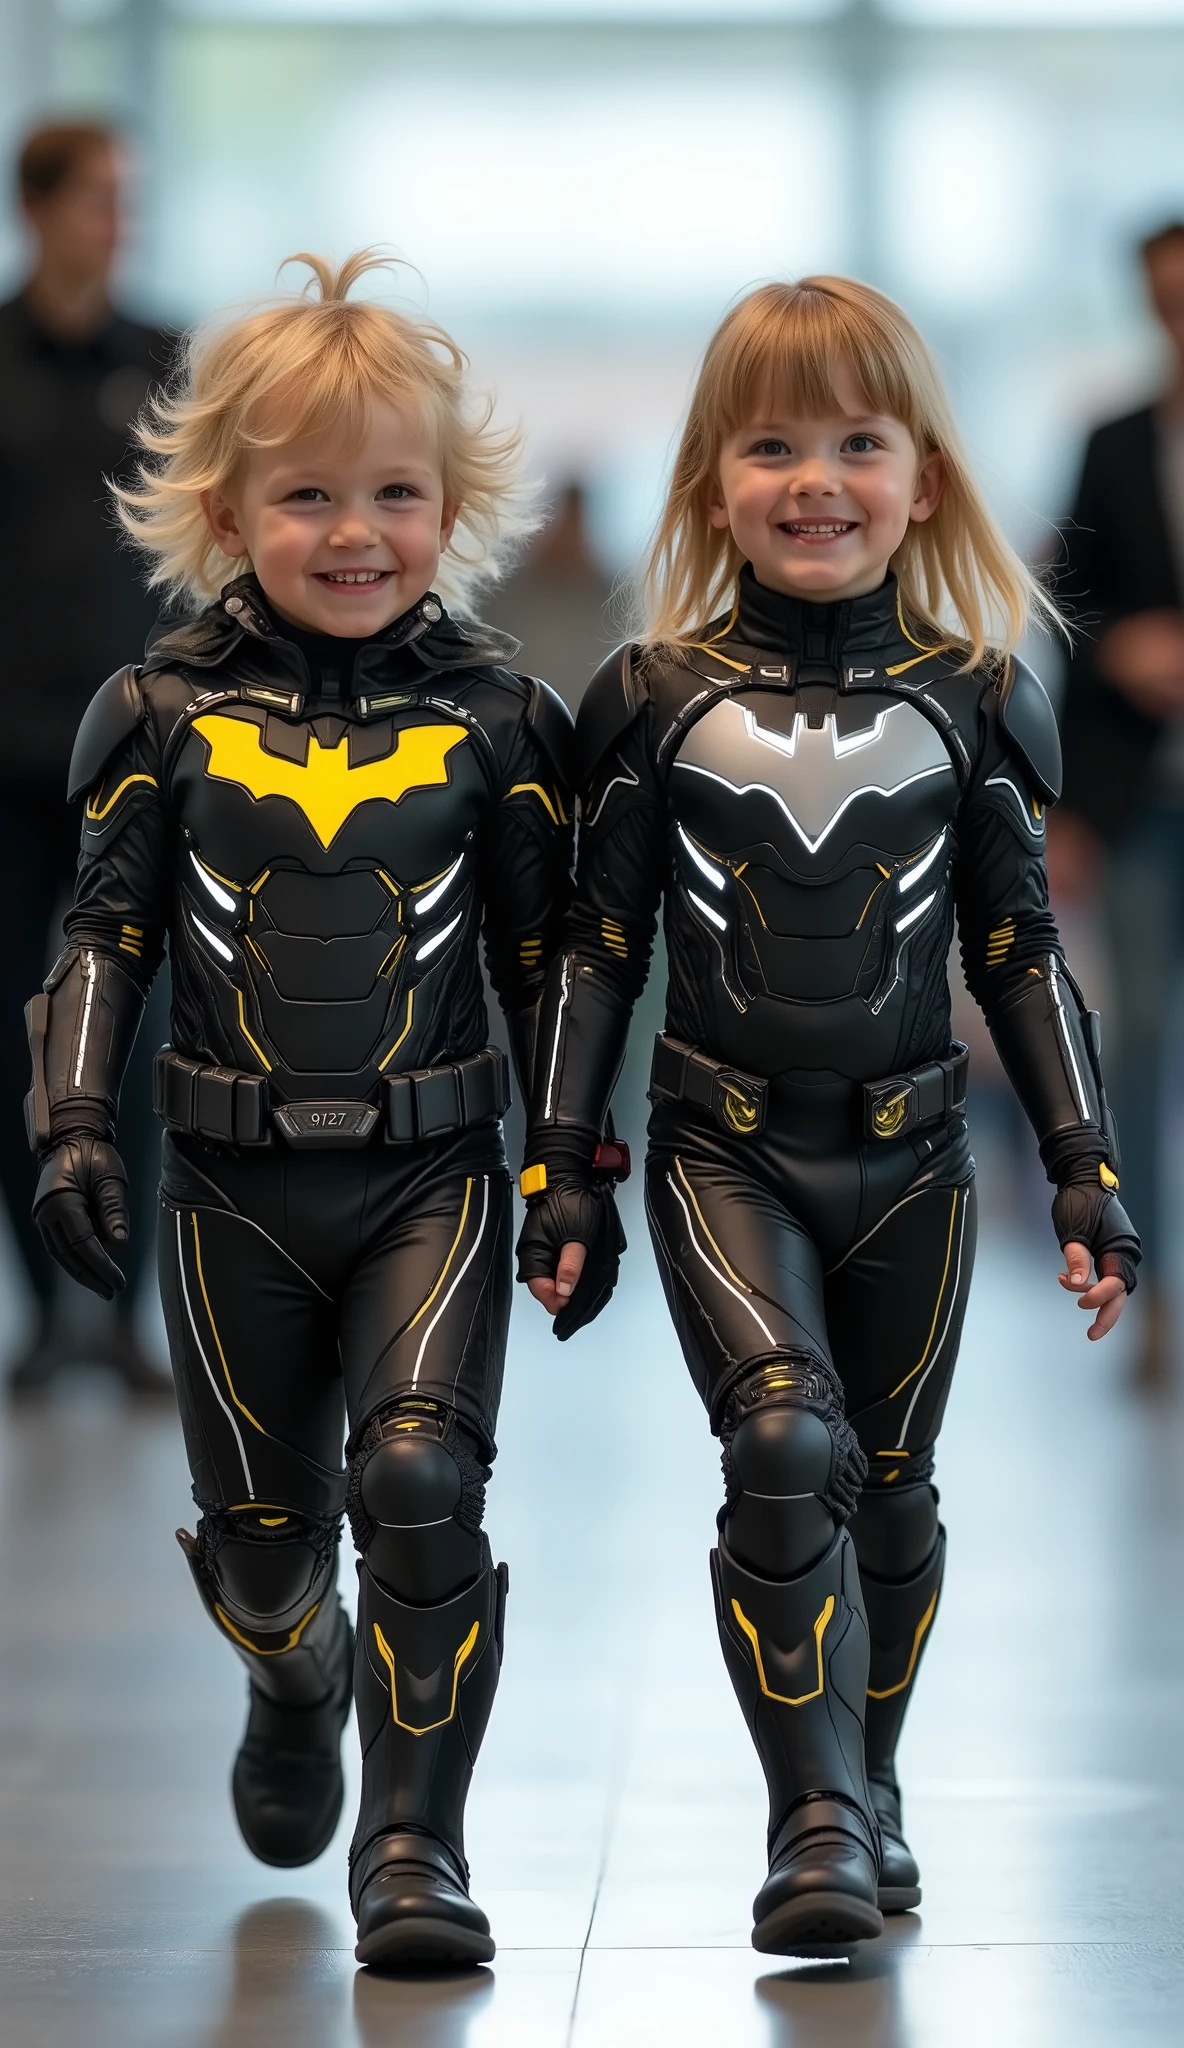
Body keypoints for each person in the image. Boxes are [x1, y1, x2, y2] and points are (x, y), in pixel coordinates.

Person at [517, 278, 1139, 1953]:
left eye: (855, 443)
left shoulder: (970, 691)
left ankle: (865, 1782)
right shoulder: (647, 695)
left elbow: (1016, 951)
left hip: (915, 1153)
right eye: (770, 444)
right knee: (780, 1439)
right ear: (710, 478)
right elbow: (597, 943)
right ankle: (808, 1815)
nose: (815, 480)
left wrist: (1085, 1168)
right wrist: (557, 1167)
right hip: (719, 1145)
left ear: (919, 476)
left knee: (890, 1489)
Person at [24, 251, 573, 1971]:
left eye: (393, 493)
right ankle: (295, 1669)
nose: (356, 532)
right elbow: (101, 931)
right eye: (309, 494)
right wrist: (73, 1121)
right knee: (266, 1550)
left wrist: (570, 1163)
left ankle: (413, 1845)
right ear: (223, 504)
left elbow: (557, 961)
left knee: (419, 1480)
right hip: (230, 1183)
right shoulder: (161, 711)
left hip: (435, 1171)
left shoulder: (500, 716)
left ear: (450, 504)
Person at [0, 119, 175, 1394]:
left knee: (150, 1025)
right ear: (38, 206)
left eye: (131, 198)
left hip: (133, 750)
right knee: (16, 1025)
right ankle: (43, 1308)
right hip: (3, 758)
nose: (120, 220)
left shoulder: (169, 365)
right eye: (102, 196)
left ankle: (120, 1310)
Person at [1052, 219, 1184, 1392]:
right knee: (1136, 1041)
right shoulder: (1108, 443)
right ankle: (1154, 1289)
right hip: (1138, 798)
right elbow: (1065, 615)